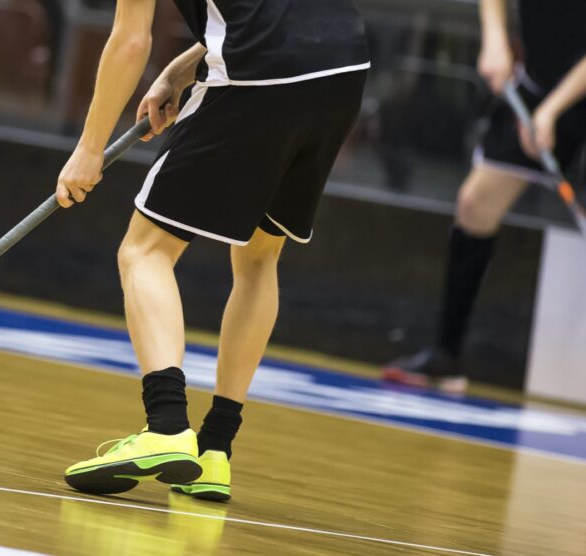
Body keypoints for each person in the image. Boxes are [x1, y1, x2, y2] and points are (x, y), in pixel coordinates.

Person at [57, 0, 369, 499]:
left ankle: (165, 427)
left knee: (144, 251)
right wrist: (180, 72)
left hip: (258, 73)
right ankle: (215, 450)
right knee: (260, 256)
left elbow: (131, 40)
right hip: (343, 69)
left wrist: (89, 149)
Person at [383, 0, 586, 431]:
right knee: (474, 205)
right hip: (538, 80)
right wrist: (496, 40)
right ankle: (446, 354)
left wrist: (552, 111)